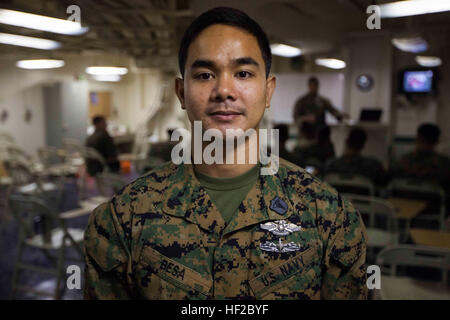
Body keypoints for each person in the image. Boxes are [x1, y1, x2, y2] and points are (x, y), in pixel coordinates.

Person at [84, 7, 367, 300]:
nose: (224, 90)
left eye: (243, 73)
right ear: (182, 93)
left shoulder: (332, 219)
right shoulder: (121, 222)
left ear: (268, 92)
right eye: (205, 75)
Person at [391, 123, 450, 189]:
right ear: (437, 141)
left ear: (417, 138)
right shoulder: (445, 164)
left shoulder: (401, 162)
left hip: (400, 198)